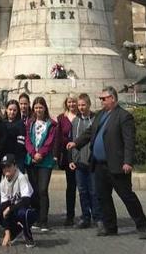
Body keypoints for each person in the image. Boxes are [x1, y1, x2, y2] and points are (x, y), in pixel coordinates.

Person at [66, 87, 146, 239]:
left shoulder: (124, 116)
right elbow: (90, 132)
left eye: (103, 98)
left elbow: (129, 141)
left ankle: (142, 225)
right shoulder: (101, 115)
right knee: (103, 197)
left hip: (117, 165)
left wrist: (128, 161)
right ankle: (110, 227)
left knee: (127, 196)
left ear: (112, 98)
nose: (101, 101)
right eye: (100, 99)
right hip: (99, 165)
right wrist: (76, 143)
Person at [0, 155, 36, 248]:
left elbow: (26, 201)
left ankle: (28, 237)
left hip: (30, 210)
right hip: (14, 209)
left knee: (23, 213)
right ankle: (14, 230)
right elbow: (4, 207)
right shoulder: (2, 183)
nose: (6, 169)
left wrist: (9, 209)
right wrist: (7, 232)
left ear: (15, 166)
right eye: (4, 167)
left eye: (9, 166)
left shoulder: (21, 177)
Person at [67, 93, 101, 229]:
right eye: (79, 105)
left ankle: (98, 216)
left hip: (93, 161)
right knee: (82, 191)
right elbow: (72, 141)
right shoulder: (75, 121)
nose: (81, 107)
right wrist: (71, 159)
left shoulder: (96, 119)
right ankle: (85, 217)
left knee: (94, 191)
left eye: (83, 105)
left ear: (89, 105)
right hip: (79, 162)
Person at [24, 96, 59, 232]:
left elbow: (50, 141)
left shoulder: (51, 124)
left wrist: (41, 154)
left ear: (45, 108)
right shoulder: (30, 122)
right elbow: (27, 140)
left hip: (45, 162)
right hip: (32, 160)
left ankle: (44, 220)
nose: (38, 110)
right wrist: (33, 153)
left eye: (41, 107)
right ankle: (36, 217)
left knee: (43, 190)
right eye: (36, 107)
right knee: (34, 190)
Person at [58, 95, 79, 226]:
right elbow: (58, 137)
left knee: (85, 187)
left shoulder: (82, 116)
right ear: (66, 103)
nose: (72, 104)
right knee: (70, 187)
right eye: (69, 102)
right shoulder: (61, 118)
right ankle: (70, 216)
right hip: (67, 155)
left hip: (81, 153)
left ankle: (90, 214)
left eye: (74, 102)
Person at [3, 100, 27, 170]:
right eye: (10, 109)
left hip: (17, 159)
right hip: (5, 157)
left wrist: (13, 157)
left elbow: (21, 143)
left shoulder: (20, 123)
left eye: (14, 110)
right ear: (6, 110)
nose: (12, 112)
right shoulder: (2, 123)